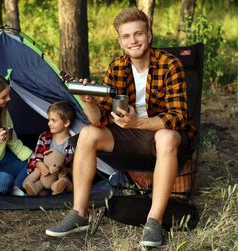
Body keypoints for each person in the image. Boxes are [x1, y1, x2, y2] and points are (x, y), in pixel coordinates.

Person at [45, 8, 196, 247]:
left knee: (166, 137)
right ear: (120, 41)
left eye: (138, 34)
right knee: (88, 133)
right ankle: (79, 214)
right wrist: (89, 102)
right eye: (126, 36)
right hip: (130, 135)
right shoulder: (117, 67)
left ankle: (154, 222)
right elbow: (99, 120)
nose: (133, 40)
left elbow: (178, 117)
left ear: (149, 35)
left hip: (162, 134)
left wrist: (139, 122)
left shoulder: (170, 64)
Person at [23, 100, 76, 196]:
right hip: (44, 176)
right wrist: (40, 165)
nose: (49, 123)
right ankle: (35, 188)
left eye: (53, 120)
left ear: (66, 123)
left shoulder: (72, 143)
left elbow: (75, 168)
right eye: (49, 120)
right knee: (41, 193)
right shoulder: (44, 137)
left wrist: (64, 170)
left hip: (59, 176)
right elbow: (36, 157)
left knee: (61, 185)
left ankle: (58, 189)